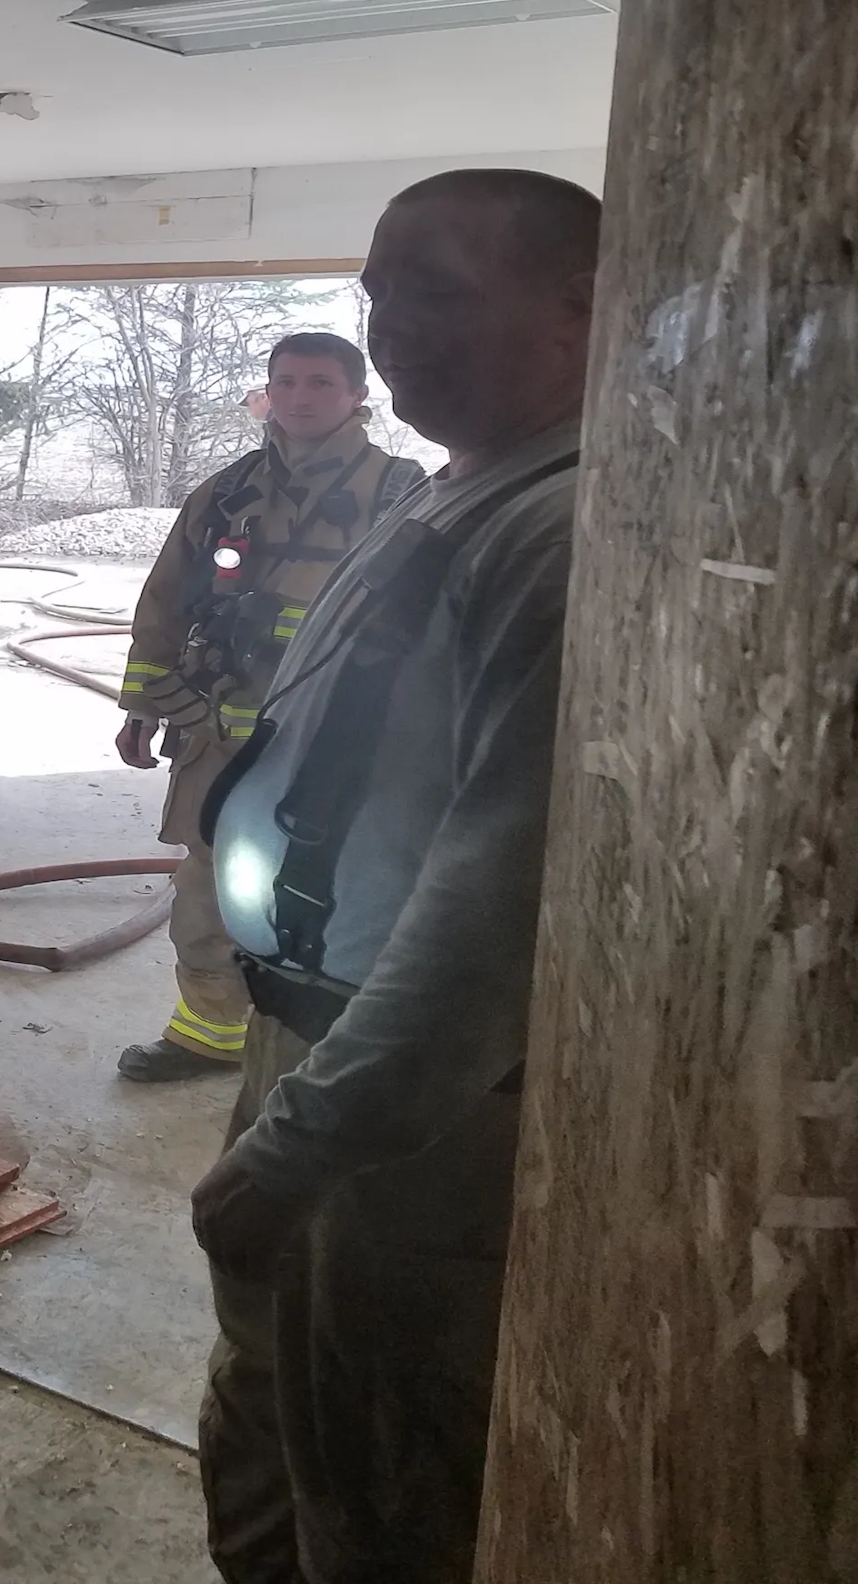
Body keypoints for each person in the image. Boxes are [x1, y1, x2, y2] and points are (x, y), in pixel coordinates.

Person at [189, 168, 600, 1584]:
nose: (392, 331)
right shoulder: (461, 493)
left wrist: (308, 1142)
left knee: (374, 1478)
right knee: (271, 1405)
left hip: (402, 1113)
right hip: (312, 1035)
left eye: (437, 292)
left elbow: (504, 902)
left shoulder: (565, 534)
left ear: (579, 308)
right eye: (376, 295)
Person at [114, 333, 425, 1082]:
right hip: (220, 729)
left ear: (357, 396)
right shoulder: (227, 491)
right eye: (284, 381)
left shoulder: (401, 490)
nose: (298, 397)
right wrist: (143, 703)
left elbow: (435, 618)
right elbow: (163, 600)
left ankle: (331, 1053)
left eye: (319, 382)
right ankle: (208, 1034)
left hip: (347, 738)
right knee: (207, 886)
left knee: (347, 888)